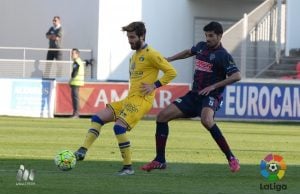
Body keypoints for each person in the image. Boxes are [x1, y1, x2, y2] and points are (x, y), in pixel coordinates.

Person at [74, 21, 177, 175]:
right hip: (129, 99)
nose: (130, 40)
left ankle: (128, 168)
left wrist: (154, 85)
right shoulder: (133, 57)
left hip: (142, 100)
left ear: (142, 36)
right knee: (97, 118)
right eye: (128, 37)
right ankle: (82, 150)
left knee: (119, 127)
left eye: (133, 37)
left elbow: (171, 72)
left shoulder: (152, 54)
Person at [141, 21, 241, 173]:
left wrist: (213, 86)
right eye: (206, 35)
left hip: (211, 96)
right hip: (194, 95)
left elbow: (237, 75)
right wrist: (169, 59)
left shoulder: (223, 56)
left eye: (211, 36)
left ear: (220, 36)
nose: (208, 38)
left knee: (206, 120)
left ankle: (231, 157)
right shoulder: (201, 46)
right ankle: (159, 160)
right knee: (162, 116)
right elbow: (188, 52)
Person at [69, 48, 85, 118]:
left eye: (73, 53)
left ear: (77, 54)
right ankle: (75, 113)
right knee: (75, 98)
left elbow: (74, 73)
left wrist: (71, 78)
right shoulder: (79, 61)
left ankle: (76, 114)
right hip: (77, 82)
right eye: (71, 53)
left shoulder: (77, 62)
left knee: (75, 98)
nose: (71, 55)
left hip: (76, 82)